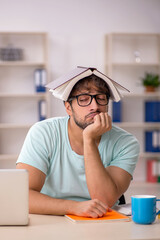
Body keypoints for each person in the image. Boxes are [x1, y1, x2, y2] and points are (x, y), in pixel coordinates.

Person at [16, 70, 140, 218]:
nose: (94, 106)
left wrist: (88, 139)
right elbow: (23, 196)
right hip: (50, 216)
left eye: (101, 98)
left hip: (101, 221)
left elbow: (104, 200)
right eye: (84, 99)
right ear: (68, 107)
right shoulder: (43, 132)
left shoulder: (126, 143)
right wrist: (74, 207)